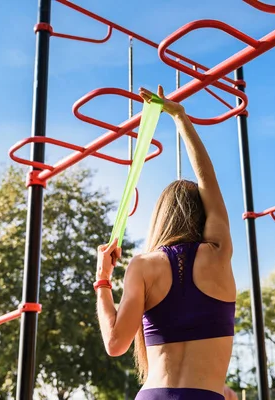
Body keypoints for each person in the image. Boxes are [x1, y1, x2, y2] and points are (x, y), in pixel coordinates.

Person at [94, 85, 238, 400]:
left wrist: (102, 280)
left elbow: (116, 344)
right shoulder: (217, 254)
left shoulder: (143, 266)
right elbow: (208, 181)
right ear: (204, 215)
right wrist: (180, 118)